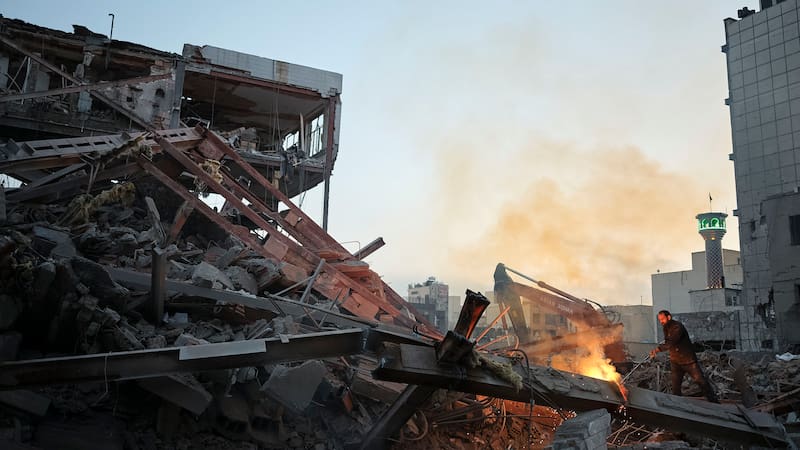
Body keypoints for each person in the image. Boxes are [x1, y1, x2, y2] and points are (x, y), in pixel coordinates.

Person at [649, 310, 719, 403]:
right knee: (675, 387)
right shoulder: (666, 327)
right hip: (676, 362)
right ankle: (678, 405)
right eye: (660, 319)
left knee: (701, 381)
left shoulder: (677, 326)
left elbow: (671, 342)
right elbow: (668, 342)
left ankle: (714, 402)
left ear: (668, 317)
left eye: (662, 319)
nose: (661, 321)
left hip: (688, 360)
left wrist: (657, 349)